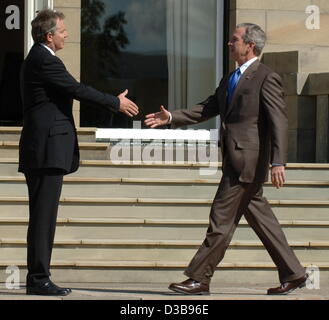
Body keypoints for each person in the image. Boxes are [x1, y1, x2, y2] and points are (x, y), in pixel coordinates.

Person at [145, 23, 307, 295]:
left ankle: (199, 278)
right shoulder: (231, 78)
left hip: (248, 163)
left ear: (249, 45)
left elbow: (279, 121)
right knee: (260, 218)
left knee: (221, 218)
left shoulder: (266, 77)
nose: (229, 44)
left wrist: (279, 161)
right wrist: (171, 117)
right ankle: (294, 273)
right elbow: (208, 107)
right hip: (234, 159)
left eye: (234, 40)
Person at [19, 9, 138, 296]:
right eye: (62, 31)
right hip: (45, 150)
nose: (67, 35)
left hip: (45, 149)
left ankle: (39, 277)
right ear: (49, 35)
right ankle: (38, 279)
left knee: (43, 216)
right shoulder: (43, 60)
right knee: (43, 217)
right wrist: (114, 103)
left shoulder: (43, 58)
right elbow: (76, 89)